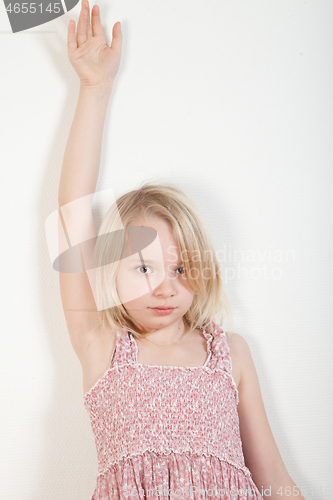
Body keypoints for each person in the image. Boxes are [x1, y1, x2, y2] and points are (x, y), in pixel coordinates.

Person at [57, 1, 305, 498]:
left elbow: (275, 482)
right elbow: (72, 210)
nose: (166, 287)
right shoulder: (101, 345)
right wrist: (93, 88)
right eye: (143, 267)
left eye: (182, 268)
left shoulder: (229, 352)